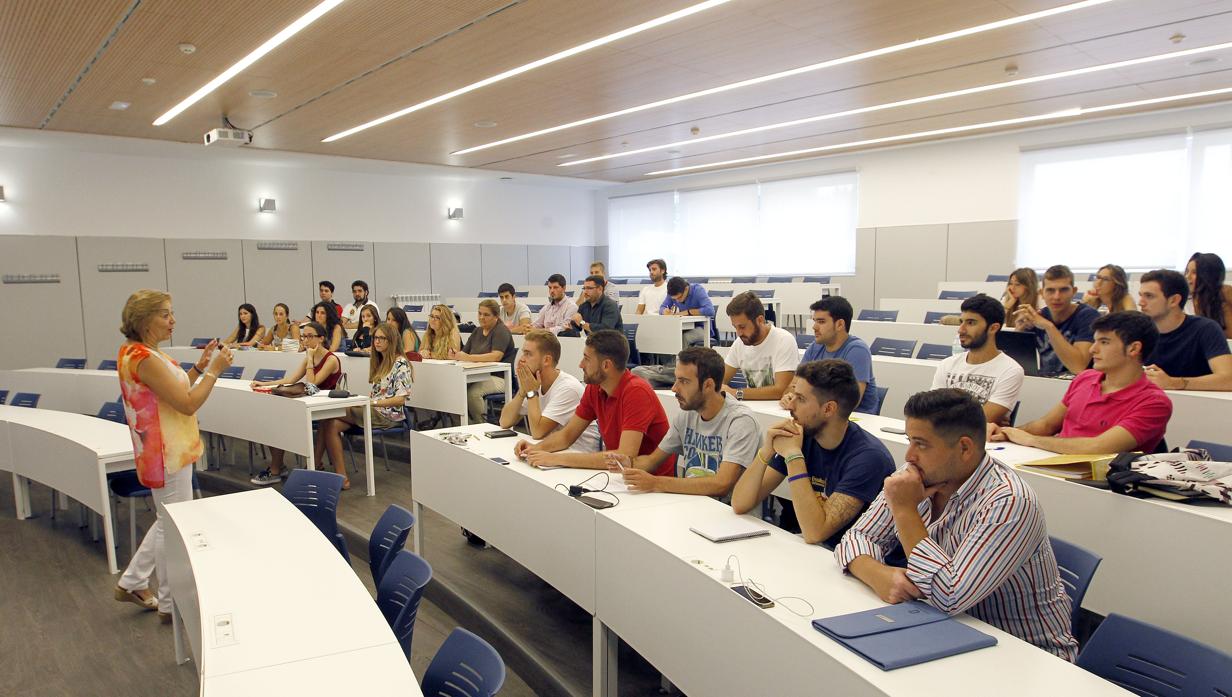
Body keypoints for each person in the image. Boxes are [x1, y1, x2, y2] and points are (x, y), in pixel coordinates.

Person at [836, 388, 1079, 661]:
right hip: (947, 631)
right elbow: (857, 536)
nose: (909, 456)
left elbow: (950, 595)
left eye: (921, 444)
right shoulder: (916, 476)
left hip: (1026, 655)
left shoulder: (1009, 501)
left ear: (964, 448)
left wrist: (905, 510)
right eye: (909, 441)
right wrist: (876, 574)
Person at [113, 290, 234, 621]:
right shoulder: (145, 358)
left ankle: (136, 582)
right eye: (165, 314)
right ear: (143, 319)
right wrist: (216, 371)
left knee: (168, 520)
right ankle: (169, 603)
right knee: (172, 524)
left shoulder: (141, 352)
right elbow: (188, 403)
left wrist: (200, 366)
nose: (173, 321)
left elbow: (176, 391)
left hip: (166, 446)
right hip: (167, 450)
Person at [732, 359, 894, 547]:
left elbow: (815, 533)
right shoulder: (804, 436)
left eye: (800, 399)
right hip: (817, 553)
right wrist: (767, 450)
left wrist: (793, 456)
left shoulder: (869, 458)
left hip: (852, 563)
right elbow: (740, 503)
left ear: (828, 409)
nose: (790, 406)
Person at [990, 311, 1172, 453]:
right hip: (1052, 465)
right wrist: (1005, 433)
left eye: (1104, 342)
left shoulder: (1154, 402)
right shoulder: (1085, 378)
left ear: (1133, 348)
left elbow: (1097, 448)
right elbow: (1046, 425)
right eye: (1095, 341)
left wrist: (1031, 440)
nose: (1093, 349)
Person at [514, 330, 674, 473]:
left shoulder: (636, 392)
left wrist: (555, 459)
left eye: (586, 359)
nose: (580, 365)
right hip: (621, 477)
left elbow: (623, 456)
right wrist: (535, 448)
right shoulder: (595, 388)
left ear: (606, 365)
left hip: (654, 485)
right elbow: (566, 436)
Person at [605, 347, 759, 496]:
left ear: (708, 385)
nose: (674, 388)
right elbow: (652, 461)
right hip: (691, 505)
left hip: (731, 515)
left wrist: (656, 483)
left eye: (684, 382)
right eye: (676, 380)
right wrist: (629, 464)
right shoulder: (686, 415)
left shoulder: (741, 421)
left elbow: (721, 484)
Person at [316, 322, 413, 490]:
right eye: (375, 338)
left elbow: (400, 400)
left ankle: (315, 466)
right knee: (330, 423)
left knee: (330, 412)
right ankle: (341, 477)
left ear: (392, 341)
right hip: (372, 410)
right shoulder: (380, 362)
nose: (377, 342)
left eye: (382, 338)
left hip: (388, 415)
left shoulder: (401, 363)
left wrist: (372, 403)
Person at [249, 321, 343, 485]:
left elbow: (311, 383)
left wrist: (309, 359)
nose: (305, 340)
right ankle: (277, 466)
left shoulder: (331, 359)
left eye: (309, 336)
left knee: (287, 421)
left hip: (324, 409)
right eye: (304, 337)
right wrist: (263, 384)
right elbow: (291, 379)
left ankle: (290, 467)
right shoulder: (310, 356)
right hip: (307, 404)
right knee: (274, 420)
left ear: (321, 338)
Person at [498, 329, 600, 450]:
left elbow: (538, 432)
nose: (522, 359)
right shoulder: (535, 384)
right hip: (553, 452)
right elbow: (504, 422)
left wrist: (531, 392)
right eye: (523, 353)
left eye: (528, 354)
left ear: (547, 360)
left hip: (580, 455)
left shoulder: (568, 388)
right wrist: (522, 391)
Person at [930, 294, 1023, 425]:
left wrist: (946, 414)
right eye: (961, 322)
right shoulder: (947, 364)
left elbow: (980, 422)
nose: (961, 330)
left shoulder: (1011, 370)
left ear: (993, 328)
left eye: (971, 323)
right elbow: (930, 412)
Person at [1136, 269, 1232, 391]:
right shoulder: (1139, 330)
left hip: (1197, 405)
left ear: (1174, 300)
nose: (1141, 303)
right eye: (1141, 295)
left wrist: (1174, 382)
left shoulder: (1205, 329)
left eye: (1149, 296)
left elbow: (1229, 379)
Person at [798, 296, 880, 415]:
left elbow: (851, 400)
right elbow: (795, 384)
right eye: (814, 321)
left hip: (856, 419)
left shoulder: (857, 350)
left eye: (821, 322)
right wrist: (792, 396)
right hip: (822, 413)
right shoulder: (814, 347)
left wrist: (804, 397)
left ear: (840, 324)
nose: (814, 327)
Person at [1014, 265, 1098, 376]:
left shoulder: (1088, 316)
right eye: (1050, 290)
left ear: (1074, 291)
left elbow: (1078, 367)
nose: (1057, 297)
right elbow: (1018, 366)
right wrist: (1019, 333)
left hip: (1079, 385)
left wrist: (1049, 327)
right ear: (1042, 293)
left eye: (1063, 290)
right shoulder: (1038, 317)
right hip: (1046, 383)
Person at [721, 291, 798, 401]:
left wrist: (736, 393)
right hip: (751, 409)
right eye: (735, 327)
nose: (738, 333)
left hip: (777, 409)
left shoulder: (784, 340)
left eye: (742, 327)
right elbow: (721, 379)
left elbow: (780, 391)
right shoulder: (739, 343)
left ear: (760, 320)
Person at [452, 299, 517, 423]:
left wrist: (468, 358)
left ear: (496, 316)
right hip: (476, 375)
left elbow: (495, 356)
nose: (482, 317)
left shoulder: (501, 331)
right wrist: (456, 355)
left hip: (500, 378)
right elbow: (465, 353)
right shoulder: (477, 331)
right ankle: (464, 425)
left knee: (472, 394)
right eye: (480, 313)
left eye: (486, 315)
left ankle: (481, 426)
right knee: (453, 390)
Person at [1186, 252, 1232, 339]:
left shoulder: (1225, 293)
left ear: (1208, 275)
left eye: (1194, 272)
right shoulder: (1185, 300)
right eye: (1187, 271)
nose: (1187, 276)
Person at [659, 276, 716, 343]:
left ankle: (679, 354)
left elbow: (710, 310)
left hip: (703, 329)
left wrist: (688, 312)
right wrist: (664, 311)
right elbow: (662, 308)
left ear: (686, 289)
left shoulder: (698, 290)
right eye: (675, 299)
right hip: (684, 327)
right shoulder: (672, 292)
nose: (678, 301)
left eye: (679, 297)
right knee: (667, 336)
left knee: (683, 338)